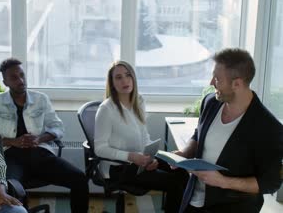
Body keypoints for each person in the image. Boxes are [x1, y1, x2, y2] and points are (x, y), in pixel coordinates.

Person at [174, 48, 283, 212]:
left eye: (217, 79)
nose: (211, 83)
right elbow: (199, 134)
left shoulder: (270, 129)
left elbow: (270, 183)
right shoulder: (210, 102)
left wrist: (223, 181)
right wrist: (186, 152)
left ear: (237, 83)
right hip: (194, 201)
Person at [0, 58, 89, 213]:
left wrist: (39, 138)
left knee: (80, 179)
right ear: (5, 82)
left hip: (39, 154)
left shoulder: (40, 99)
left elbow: (58, 127)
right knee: (12, 188)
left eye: (22, 75)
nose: (21, 80)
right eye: (14, 78)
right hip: (10, 156)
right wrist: (14, 141)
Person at [94, 60, 188, 213]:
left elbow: (144, 136)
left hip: (140, 161)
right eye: (118, 77)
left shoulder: (139, 101)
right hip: (118, 167)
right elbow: (99, 149)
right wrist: (132, 157)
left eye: (128, 75)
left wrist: (153, 158)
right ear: (111, 83)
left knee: (181, 171)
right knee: (173, 184)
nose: (125, 80)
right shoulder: (106, 109)